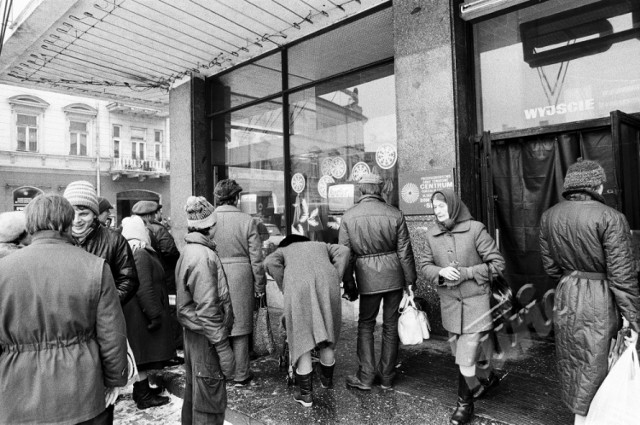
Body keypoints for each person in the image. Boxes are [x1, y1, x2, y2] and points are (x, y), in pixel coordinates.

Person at [0, 194, 128, 424]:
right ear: (68, 222)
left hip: (17, 395)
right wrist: (114, 380)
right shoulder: (95, 267)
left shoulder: (3, 270)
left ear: (30, 224)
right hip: (83, 393)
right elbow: (112, 336)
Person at [539, 159, 640, 425]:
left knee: (574, 359)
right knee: (599, 363)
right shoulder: (611, 218)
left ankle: (579, 418)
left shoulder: (549, 216)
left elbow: (550, 267)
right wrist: (634, 318)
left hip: (567, 294)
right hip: (600, 298)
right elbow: (622, 276)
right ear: (598, 185)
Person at [419, 188, 505, 425]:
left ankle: (464, 406)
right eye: (434, 206)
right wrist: (440, 272)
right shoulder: (431, 235)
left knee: (465, 357)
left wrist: (466, 272)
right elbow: (425, 265)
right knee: (461, 353)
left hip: (476, 302)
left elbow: (498, 264)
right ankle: (487, 379)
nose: (437, 210)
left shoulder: (475, 229)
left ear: (453, 205)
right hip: (450, 304)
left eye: (441, 205)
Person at [338, 172, 417, 391]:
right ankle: (387, 377)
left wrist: (349, 283)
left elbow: (346, 254)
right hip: (394, 277)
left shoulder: (349, 216)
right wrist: (411, 282)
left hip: (367, 278)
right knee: (391, 326)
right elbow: (405, 252)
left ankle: (365, 376)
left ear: (361, 190)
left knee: (366, 325)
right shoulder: (395, 214)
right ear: (380, 189)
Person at [263, 235, 350, 407]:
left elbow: (269, 262)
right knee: (327, 335)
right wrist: (336, 276)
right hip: (328, 285)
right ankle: (326, 381)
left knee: (302, 338)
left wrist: (285, 283)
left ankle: (305, 395)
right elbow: (344, 250)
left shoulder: (284, 250)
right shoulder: (321, 245)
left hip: (299, 287)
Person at [176, 196, 235, 425]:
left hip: (196, 335)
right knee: (208, 403)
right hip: (206, 339)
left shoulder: (190, 249)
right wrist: (223, 348)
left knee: (196, 396)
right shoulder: (203, 255)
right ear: (210, 226)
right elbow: (208, 309)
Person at [211, 179, 266, 386]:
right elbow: (256, 259)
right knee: (241, 326)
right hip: (241, 277)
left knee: (218, 324)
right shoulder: (247, 220)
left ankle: (221, 371)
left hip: (214, 274)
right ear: (236, 197)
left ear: (217, 198)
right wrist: (260, 286)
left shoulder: (210, 220)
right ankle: (241, 374)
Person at [121, 215, 176, 410]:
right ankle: (144, 396)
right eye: (144, 228)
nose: (147, 231)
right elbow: (144, 287)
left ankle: (141, 391)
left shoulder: (132, 250)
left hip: (137, 312)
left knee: (141, 355)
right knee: (142, 356)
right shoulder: (140, 253)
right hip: (141, 314)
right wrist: (154, 314)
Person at [63, 180, 139, 305]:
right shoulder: (57, 239)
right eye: (71, 214)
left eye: (84, 214)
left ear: (94, 214)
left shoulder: (115, 240)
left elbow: (128, 281)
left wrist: (104, 307)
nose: (76, 220)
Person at [132, 200, 183, 351]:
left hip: (145, 280)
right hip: (165, 278)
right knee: (171, 309)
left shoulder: (131, 229)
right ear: (151, 215)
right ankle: (175, 343)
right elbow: (171, 252)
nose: (160, 214)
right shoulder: (159, 230)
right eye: (158, 212)